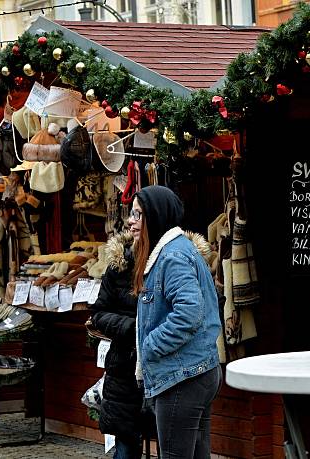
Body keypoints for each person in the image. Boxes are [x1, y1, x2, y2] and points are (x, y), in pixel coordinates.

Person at [131, 185, 222, 459]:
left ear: (155, 215)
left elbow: (189, 312)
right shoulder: (174, 251)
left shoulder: (172, 256)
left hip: (182, 376)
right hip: (194, 371)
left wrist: (150, 345)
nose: (131, 221)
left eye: (137, 214)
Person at [89, 230, 144, 459]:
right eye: (133, 214)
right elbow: (98, 314)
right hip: (124, 364)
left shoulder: (173, 262)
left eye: (139, 215)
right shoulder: (119, 265)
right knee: (126, 443)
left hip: (164, 364)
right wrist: (132, 327)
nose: (132, 222)